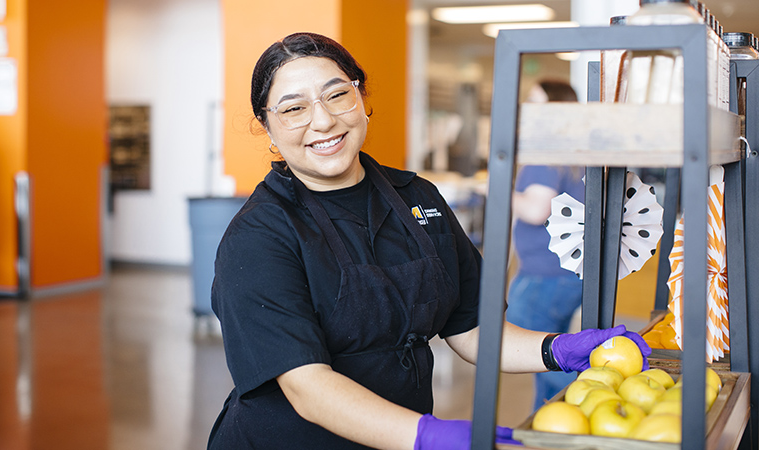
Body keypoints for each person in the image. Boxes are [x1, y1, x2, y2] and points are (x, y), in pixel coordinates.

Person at [208, 33, 650, 450]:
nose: (323, 120)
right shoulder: (259, 236)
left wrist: (556, 349)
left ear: (361, 98)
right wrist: (426, 436)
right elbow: (308, 387)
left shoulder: (417, 198)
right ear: (267, 128)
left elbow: (470, 330)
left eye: (337, 94)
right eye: (293, 109)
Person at [507, 80, 586, 411]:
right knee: (553, 349)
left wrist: (496, 188)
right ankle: (552, 424)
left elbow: (537, 209)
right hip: (567, 273)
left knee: (543, 356)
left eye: (535, 101)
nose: (527, 107)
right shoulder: (574, 155)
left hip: (543, 277)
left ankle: (579, 411)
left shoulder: (546, 157)